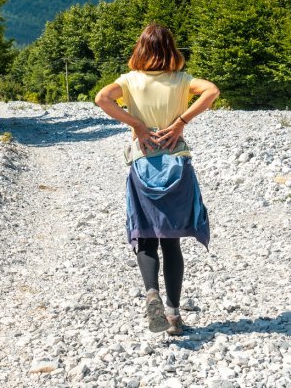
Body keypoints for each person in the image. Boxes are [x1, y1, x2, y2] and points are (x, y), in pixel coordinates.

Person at [94, 23, 220, 335]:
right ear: (170, 50)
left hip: (142, 165)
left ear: (141, 49)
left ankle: (151, 293)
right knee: (171, 241)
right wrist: (180, 122)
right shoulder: (182, 80)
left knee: (145, 234)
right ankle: (174, 316)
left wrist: (137, 124)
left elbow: (101, 99)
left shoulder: (129, 81)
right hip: (176, 164)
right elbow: (212, 91)